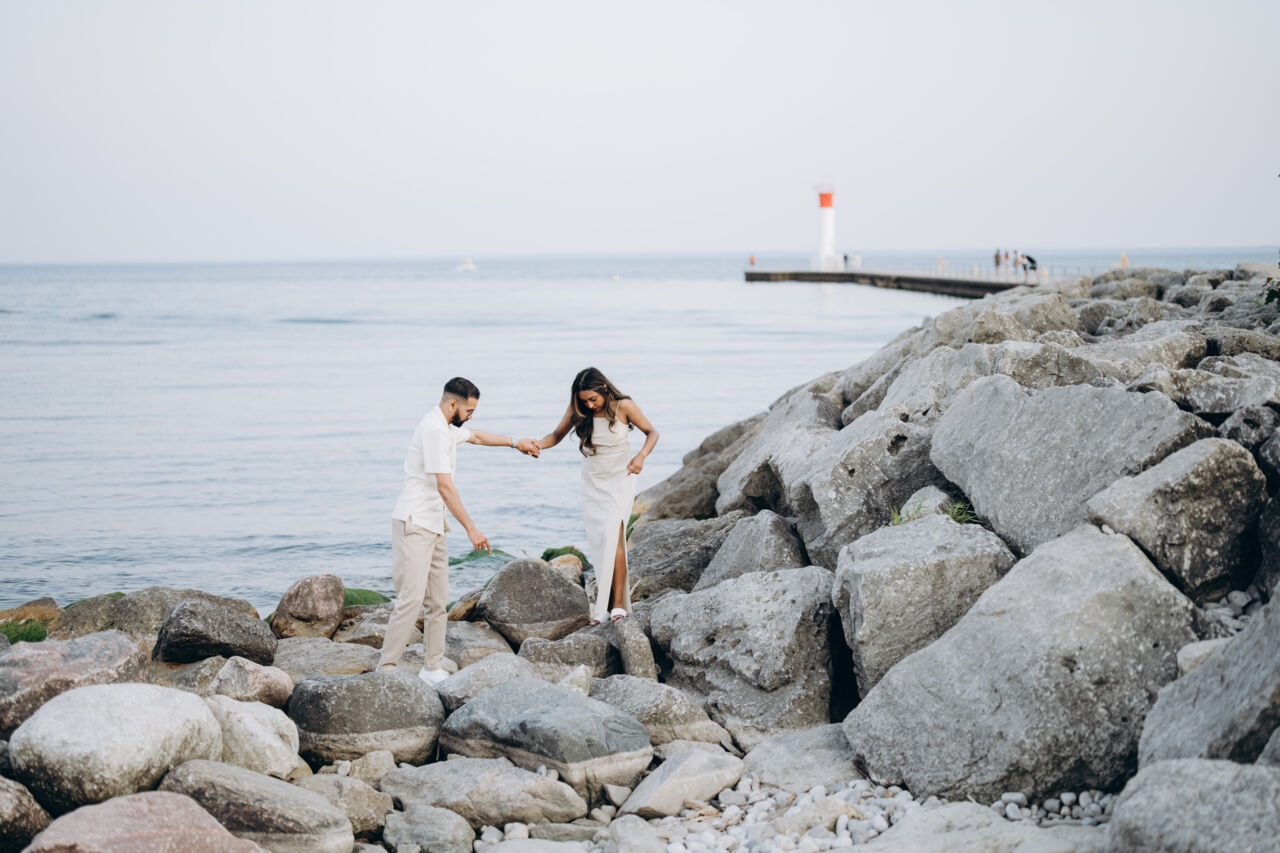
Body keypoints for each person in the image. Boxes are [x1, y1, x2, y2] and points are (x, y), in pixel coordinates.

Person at [377, 377, 539, 685]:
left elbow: (476, 436)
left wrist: (515, 442)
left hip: (435, 523)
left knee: (438, 602)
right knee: (411, 599)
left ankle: (432, 667)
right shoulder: (434, 431)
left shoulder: (447, 427)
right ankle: (385, 669)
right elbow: (445, 486)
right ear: (453, 403)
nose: (470, 417)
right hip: (415, 523)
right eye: (469, 411)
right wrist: (471, 529)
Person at [530, 368, 659, 625]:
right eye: (584, 401)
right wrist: (537, 445)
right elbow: (555, 436)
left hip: (621, 476)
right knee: (600, 541)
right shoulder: (579, 409)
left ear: (604, 389)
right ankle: (604, 606)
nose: (589, 405)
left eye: (593, 399)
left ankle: (618, 604)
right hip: (593, 480)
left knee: (614, 536)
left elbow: (652, 432)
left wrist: (641, 456)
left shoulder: (623, 405)